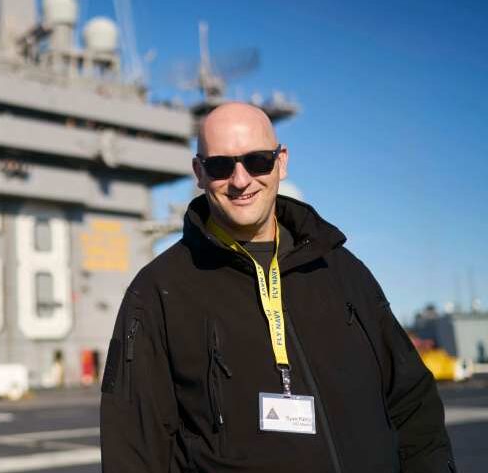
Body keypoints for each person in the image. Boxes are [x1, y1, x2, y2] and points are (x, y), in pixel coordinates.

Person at [100, 103, 455, 473]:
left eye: (257, 161)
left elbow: (413, 404)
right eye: (221, 165)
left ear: (281, 162)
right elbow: (133, 446)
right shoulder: (158, 290)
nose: (240, 180)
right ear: (199, 172)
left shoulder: (342, 270)